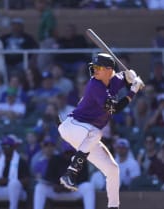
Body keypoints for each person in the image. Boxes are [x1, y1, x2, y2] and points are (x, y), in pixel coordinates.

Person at [57, 53, 144, 209]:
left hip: (86, 135)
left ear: (109, 70)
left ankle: (113, 206)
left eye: (98, 67)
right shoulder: (95, 85)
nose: (95, 70)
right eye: (94, 67)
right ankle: (71, 172)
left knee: (113, 169)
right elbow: (114, 109)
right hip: (73, 126)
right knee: (96, 133)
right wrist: (133, 91)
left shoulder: (111, 79)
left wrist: (129, 76)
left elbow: (121, 78)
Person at [33, 142, 95, 209]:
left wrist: (70, 186)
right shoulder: (55, 159)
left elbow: (84, 179)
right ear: (62, 151)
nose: (68, 154)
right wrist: (56, 185)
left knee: (88, 186)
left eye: (70, 152)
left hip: (73, 192)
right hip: (57, 192)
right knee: (39, 187)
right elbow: (49, 178)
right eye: (66, 152)